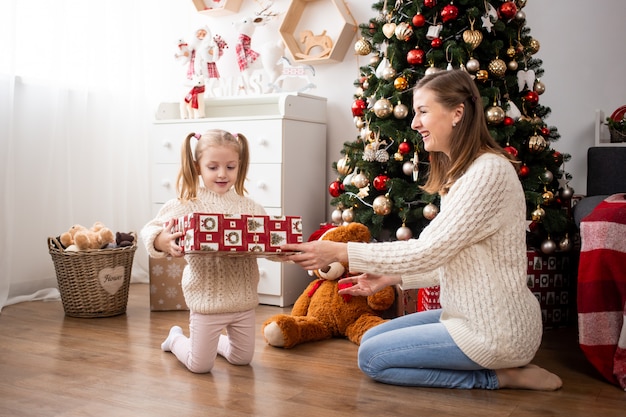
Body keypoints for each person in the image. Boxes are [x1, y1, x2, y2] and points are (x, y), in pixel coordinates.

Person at [281, 70, 563, 391]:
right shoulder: (466, 174)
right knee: (373, 336)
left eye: (423, 112)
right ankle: (499, 367)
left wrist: (340, 251)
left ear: (457, 113)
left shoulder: (488, 173)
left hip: (495, 329)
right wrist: (392, 278)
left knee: (372, 357)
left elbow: (428, 250)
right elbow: (450, 258)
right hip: (466, 315)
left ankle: (499, 376)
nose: (414, 123)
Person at [141, 129, 266, 374]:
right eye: (213, 167)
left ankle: (210, 343)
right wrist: (162, 240)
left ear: (239, 166)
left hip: (242, 301)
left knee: (242, 359)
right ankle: (176, 339)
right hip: (207, 301)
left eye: (230, 167)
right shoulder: (186, 204)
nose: (222, 174)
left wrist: (283, 250)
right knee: (200, 366)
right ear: (198, 167)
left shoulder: (251, 208)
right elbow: (150, 230)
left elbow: (266, 242)